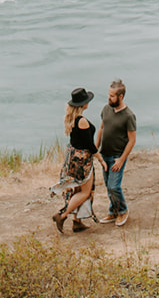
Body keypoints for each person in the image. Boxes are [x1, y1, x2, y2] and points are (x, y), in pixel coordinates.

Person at [53, 87, 99, 233]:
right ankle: (63, 215)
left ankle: (77, 221)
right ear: (83, 104)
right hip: (82, 160)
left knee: (78, 189)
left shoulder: (72, 118)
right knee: (85, 191)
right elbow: (89, 145)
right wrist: (101, 160)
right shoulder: (82, 121)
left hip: (73, 158)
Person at [96, 78, 137, 225]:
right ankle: (113, 211)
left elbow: (132, 140)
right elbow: (101, 128)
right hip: (104, 154)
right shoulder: (106, 109)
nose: (109, 98)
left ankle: (122, 210)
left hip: (117, 156)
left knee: (114, 186)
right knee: (108, 186)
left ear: (120, 97)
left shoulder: (129, 116)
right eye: (108, 94)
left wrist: (121, 159)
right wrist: (96, 148)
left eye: (112, 96)